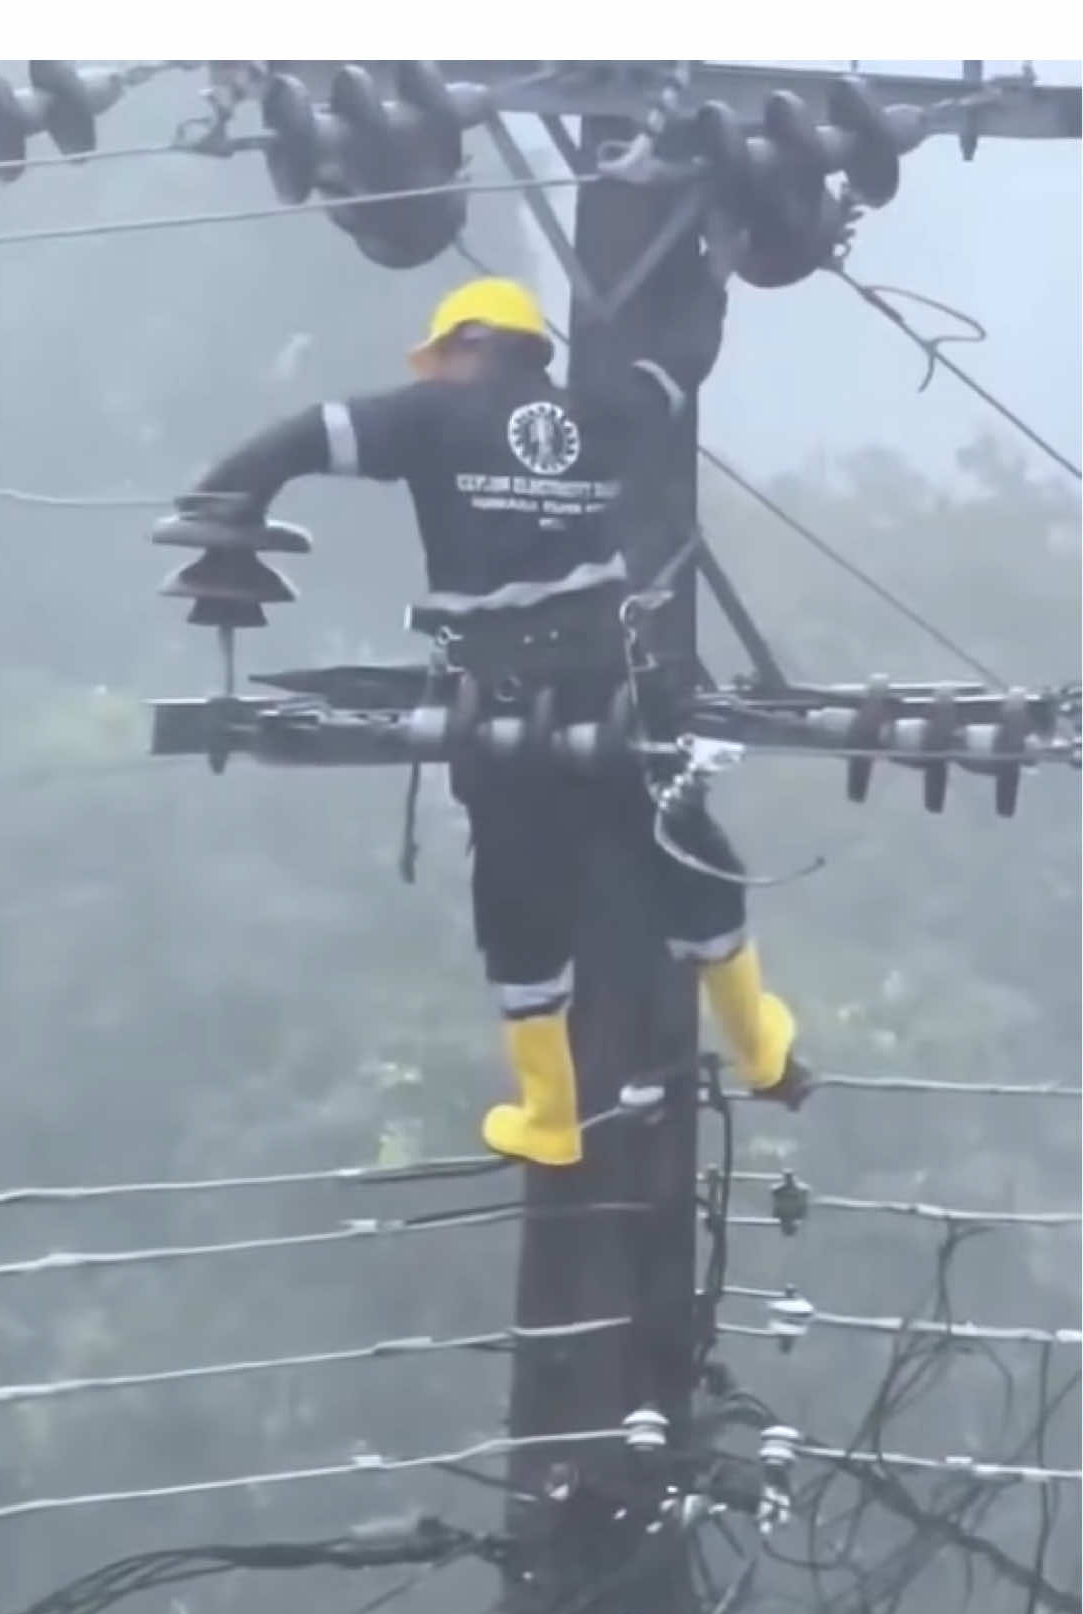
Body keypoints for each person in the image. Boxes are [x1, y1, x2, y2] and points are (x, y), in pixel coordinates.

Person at [159, 277, 809, 1169]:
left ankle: (548, 1116)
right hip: (607, 685)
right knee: (687, 857)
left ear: (470, 343)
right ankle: (760, 1046)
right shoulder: (601, 414)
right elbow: (679, 367)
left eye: (446, 354)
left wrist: (226, 497)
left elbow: (307, 435)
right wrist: (718, 268)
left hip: (498, 698)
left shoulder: (431, 418)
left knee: (517, 895)